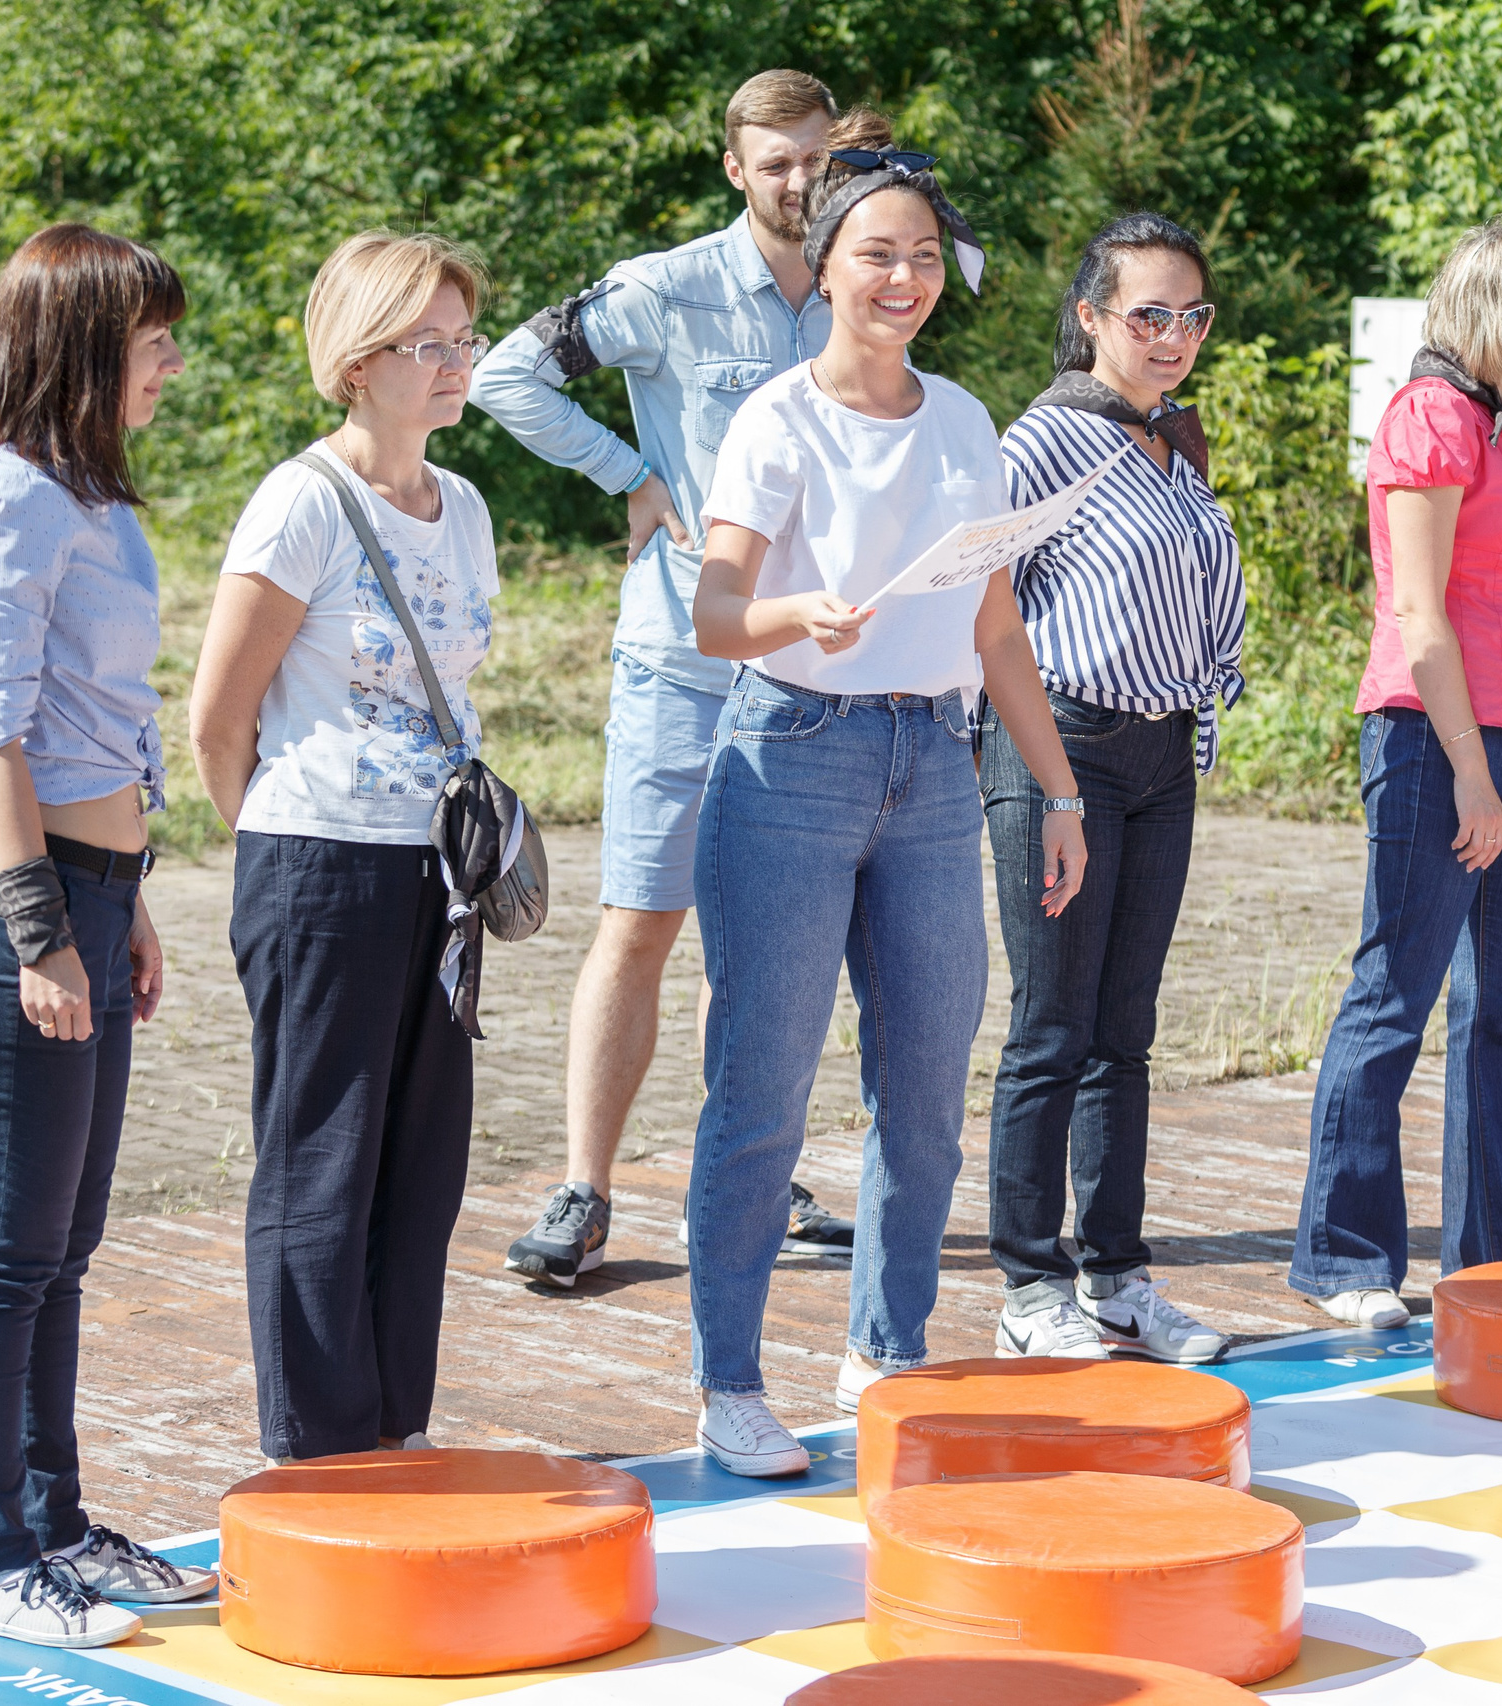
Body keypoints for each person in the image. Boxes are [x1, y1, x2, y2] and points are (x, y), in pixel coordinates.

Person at [684, 140, 1089, 1475]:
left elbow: (996, 625)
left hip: (937, 766)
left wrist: (1059, 785)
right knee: (764, 1093)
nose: (904, 277)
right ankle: (730, 1381)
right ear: (826, 262)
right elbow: (717, 613)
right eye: (877, 253)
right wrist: (795, 612)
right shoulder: (777, 420)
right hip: (792, 758)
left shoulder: (966, 420)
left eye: (922, 255)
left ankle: (887, 1348)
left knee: (922, 1094)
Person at [471, 71, 859, 1287]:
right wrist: (627, 471)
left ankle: (745, 1177)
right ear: (735, 169)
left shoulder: (864, 284)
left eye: (815, 157)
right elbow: (501, 374)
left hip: (807, 671)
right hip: (682, 666)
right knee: (641, 925)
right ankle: (583, 1192)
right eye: (776, 161)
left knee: (766, 945)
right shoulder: (665, 288)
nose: (799, 180)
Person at [0, 223, 216, 1648]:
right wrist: (44, 934)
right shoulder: (8, 502)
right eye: (150, 338)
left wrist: (131, 902)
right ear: (84, 347)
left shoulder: (96, 499)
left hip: (95, 894)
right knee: (6, 1250)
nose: (169, 360)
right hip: (8, 911)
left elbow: (100, 725)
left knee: (64, 1247)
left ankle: (58, 1527)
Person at [189, 231, 500, 1463]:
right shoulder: (301, 499)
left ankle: (393, 1426)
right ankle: (317, 1445)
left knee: (421, 1157)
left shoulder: (463, 505)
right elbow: (219, 718)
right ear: (357, 361)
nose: (454, 364)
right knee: (323, 1156)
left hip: (438, 867)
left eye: (463, 340)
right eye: (428, 343)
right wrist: (287, 843)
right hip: (319, 858)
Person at [1288, 222, 1502, 1328]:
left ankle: (1491, 1237)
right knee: (1395, 996)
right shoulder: (1429, 416)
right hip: (1435, 739)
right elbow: (1419, 616)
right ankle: (1345, 1254)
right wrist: (1471, 771)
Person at [985, 214, 1246, 1365]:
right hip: (1065, 752)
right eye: (1149, 314)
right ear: (1090, 317)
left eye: (1192, 315)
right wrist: (1046, 783)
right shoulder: (1039, 442)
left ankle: (1117, 1275)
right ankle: (1026, 1283)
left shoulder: (1173, 439)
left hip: (1160, 756)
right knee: (1052, 1026)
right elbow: (987, 617)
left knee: (1123, 1033)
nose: (1174, 336)